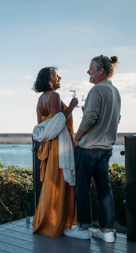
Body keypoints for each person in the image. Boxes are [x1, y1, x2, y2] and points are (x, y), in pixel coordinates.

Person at [63, 55, 121, 242]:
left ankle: (83, 229)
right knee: (104, 189)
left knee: (83, 189)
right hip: (105, 148)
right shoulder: (115, 91)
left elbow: (90, 119)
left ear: (100, 71)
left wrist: (76, 137)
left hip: (88, 148)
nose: (88, 71)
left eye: (91, 68)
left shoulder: (96, 90)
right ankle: (107, 231)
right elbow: (114, 118)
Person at [31, 67, 79, 237]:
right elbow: (58, 122)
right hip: (60, 144)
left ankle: (48, 219)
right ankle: (60, 223)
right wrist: (72, 107)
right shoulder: (54, 96)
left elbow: (41, 127)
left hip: (49, 145)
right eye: (56, 75)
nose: (60, 77)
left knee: (52, 181)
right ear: (49, 79)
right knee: (60, 182)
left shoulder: (39, 100)